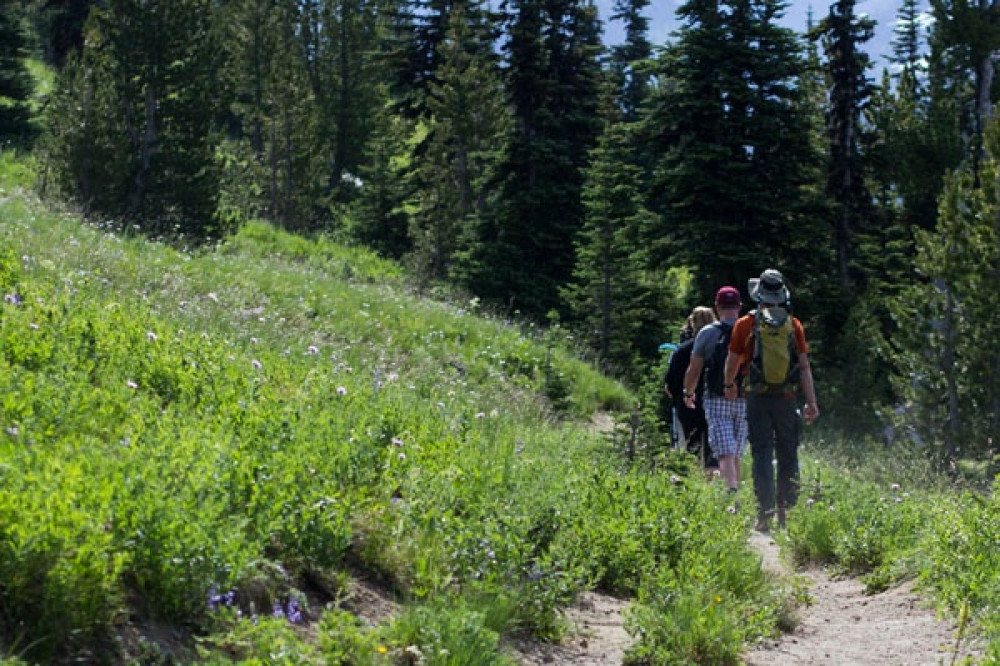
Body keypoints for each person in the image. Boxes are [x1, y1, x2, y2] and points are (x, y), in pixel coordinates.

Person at [722, 269, 819, 532]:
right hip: (787, 398)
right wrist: (811, 402)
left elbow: (732, 361)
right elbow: (804, 366)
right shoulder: (794, 325)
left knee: (762, 454)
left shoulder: (745, 325)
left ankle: (764, 515)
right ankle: (787, 513)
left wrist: (729, 385)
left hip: (757, 396)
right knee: (788, 454)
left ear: (759, 296)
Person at [683, 287, 746, 493]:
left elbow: (694, 368)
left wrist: (688, 392)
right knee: (736, 451)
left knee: (725, 451)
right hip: (745, 397)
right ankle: (736, 490)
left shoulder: (708, 333)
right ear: (739, 307)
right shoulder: (750, 331)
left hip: (716, 397)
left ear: (717, 307)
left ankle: (731, 492)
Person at [665, 306, 719, 473]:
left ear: (692, 323)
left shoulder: (681, 351)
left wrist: (678, 398)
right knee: (713, 448)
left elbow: (670, 384)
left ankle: (693, 479)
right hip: (715, 401)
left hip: (688, 404)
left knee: (692, 446)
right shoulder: (719, 347)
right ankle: (714, 481)